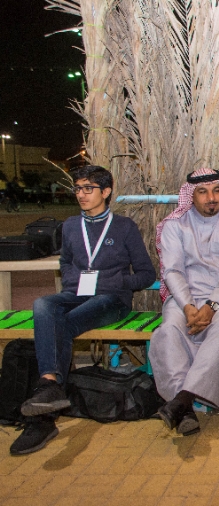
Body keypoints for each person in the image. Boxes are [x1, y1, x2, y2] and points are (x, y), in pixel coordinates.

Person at [10, 165, 156, 455]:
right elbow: (65, 261)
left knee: (60, 325)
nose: (81, 194)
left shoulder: (124, 227)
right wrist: (71, 279)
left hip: (112, 300)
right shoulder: (70, 226)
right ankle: (49, 386)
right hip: (76, 294)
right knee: (43, 304)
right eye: (77, 188)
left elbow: (146, 274)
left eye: (88, 188)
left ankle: (43, 416)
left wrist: (115, 282)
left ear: (106, 191)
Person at [148, 168, 219, 435]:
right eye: (203, 192)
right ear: (191, 196)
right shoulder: (175, 226)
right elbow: (172, 271)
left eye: (216, 190)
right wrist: (188, 307)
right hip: (184, 296)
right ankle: (184, 409)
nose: (212, 197)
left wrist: (212, 305)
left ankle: (182, 400)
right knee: (168, 330)